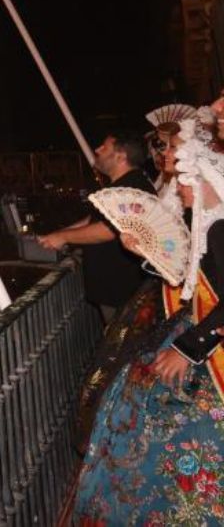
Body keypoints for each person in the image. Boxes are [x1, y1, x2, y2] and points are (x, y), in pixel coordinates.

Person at [71, 118, 224, 523]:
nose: (181, 188)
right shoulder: (206, 225)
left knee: (154, 404)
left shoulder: (221, 229)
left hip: (210, 344)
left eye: (188, 179)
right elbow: (181, 278)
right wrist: (141, 251)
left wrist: (188, 350)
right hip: (197, 329)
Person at [37, 132, 151, 322]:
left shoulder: (130, 188)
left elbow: (108, 230)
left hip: (121, 290)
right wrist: (58, 234)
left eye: (104, 147)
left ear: (121, 156)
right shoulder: (125, 185)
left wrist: (64, 238)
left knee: (119, 344)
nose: (97, 150)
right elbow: (95, 220)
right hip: (116, 289)